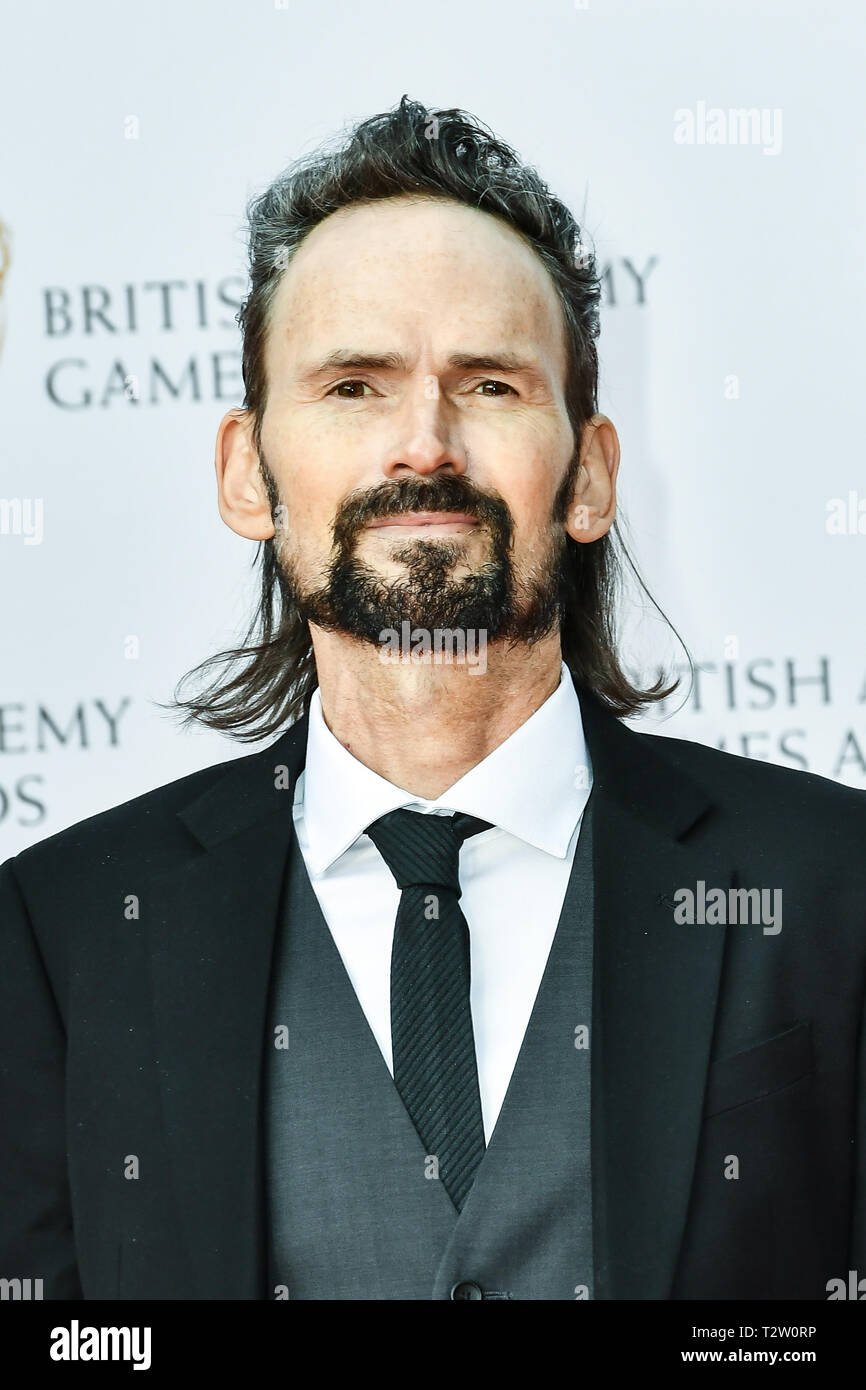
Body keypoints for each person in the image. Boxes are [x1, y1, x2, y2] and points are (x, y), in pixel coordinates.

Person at [2, 96, 864, 1302]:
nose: (423, 442)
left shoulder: (834, 886)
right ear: (247, 475)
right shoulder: (60, 929)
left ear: (591, 475)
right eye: (352, 385)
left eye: (491, 385)